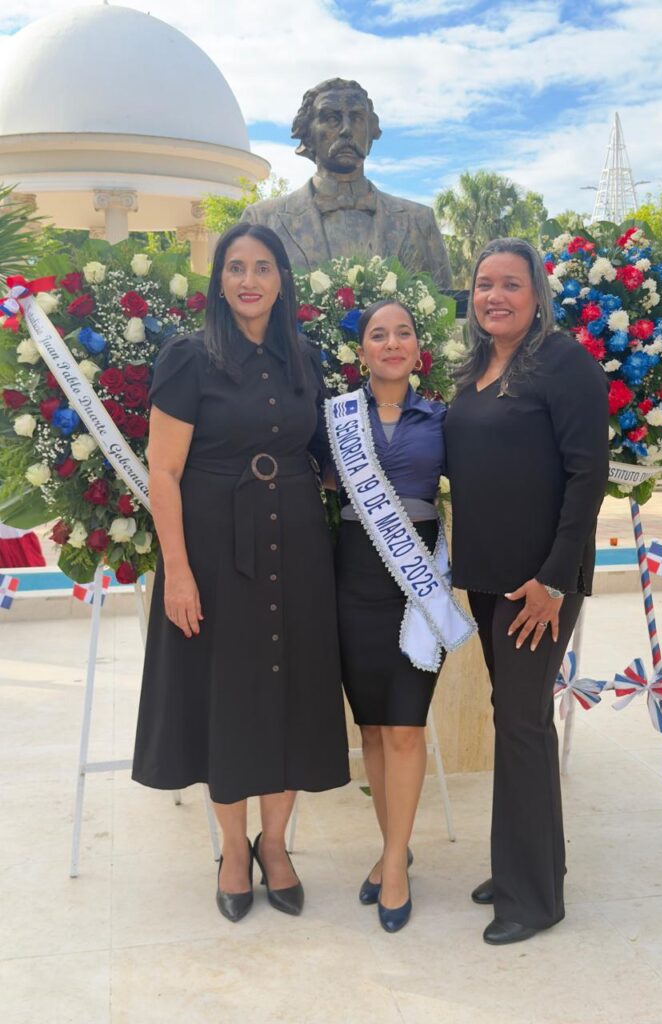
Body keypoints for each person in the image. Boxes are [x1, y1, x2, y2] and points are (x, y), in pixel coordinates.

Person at [132, 223, 349, 923]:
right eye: (235, 267)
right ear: (219, 281)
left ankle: (276, 844)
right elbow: (162, 472)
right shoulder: (188, 358)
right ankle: (232, 849)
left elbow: (326, 453)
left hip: (299, 547)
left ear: (282, 279)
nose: (249, 279)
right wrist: (179, 574)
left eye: (262, 266)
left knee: (289, 693)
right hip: (215, 551)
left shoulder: (304, 359)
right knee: (225, 698)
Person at [444, 238, 608, 945]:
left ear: (537, 293)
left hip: (537, 584)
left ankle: (534, 897)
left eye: (511, 284)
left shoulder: (564, 363)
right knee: (514, 717)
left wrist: (552, 578)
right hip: (487, 578)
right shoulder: (477, 366)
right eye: (484, 285)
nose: (495, 297)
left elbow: (587, 475)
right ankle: (524, 863)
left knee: (520, 722)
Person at [327, 299, 474, 933]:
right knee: (373, 730)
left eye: (403, 333)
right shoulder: (333, 418)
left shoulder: (445, 420)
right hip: (352, 578)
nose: (391, 343)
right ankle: (396, 849)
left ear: (419, 348)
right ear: (360, 350)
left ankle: (392, 865)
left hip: (417, 584)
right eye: (377, 335)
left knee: (406, 727)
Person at [241, 78, 452, 289]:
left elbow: (446, 311)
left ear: (371, 132)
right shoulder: (263, 220)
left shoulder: (418, 221)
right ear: (308, 134)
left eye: (357, 118)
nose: (346, 130)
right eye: (332, 118)